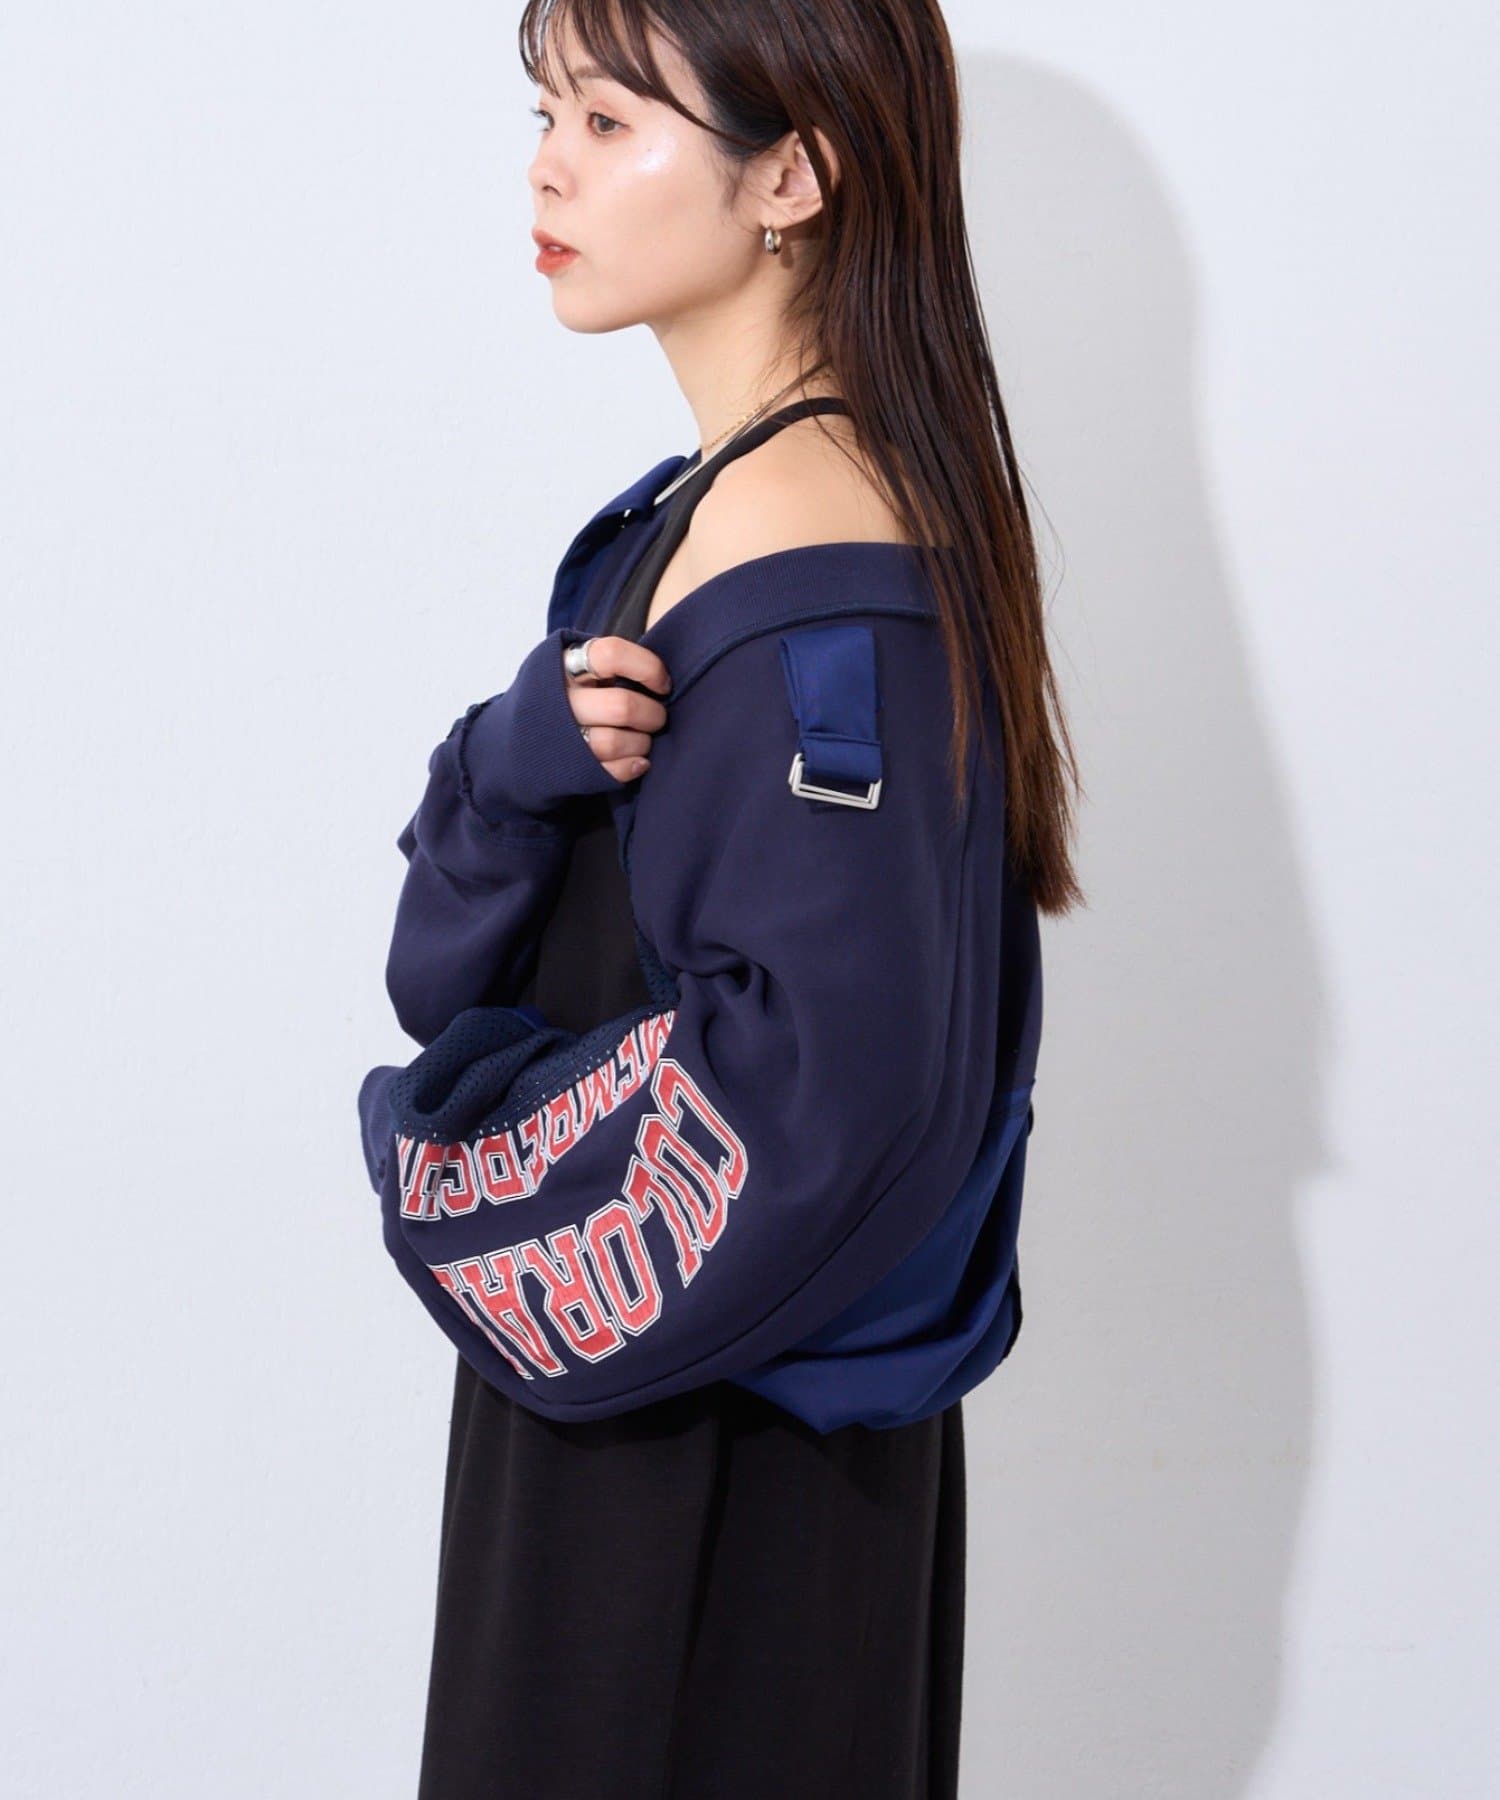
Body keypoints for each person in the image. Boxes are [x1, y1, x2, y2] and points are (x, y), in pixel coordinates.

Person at [356, 3, 1084, 1794]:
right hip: (648, 1399)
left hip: (707, 1461)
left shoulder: (815, 564)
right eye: (546, 112)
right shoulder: (706, 516)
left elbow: (831, 1101)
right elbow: (447, 976)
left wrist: (453, 1158)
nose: (547, 168)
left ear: (791, 177)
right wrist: (509, 764)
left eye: (610, 122)